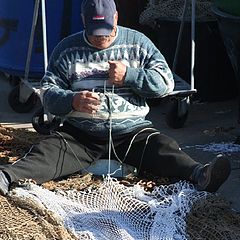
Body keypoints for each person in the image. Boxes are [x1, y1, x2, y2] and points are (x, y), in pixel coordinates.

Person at [0, 0, 231, 195]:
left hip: (131, 132)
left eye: (108, 31)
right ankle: (6, 176)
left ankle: (201, 174)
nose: (102, 38)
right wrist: (72, 100)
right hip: (80, 135)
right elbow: (48, 93)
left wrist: (130, 76)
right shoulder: (67, 48)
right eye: (95, 32)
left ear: (117, 18)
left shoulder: (139, 43)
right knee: (47, 153)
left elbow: (165, 84)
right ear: (83, 21)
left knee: (164, 148)